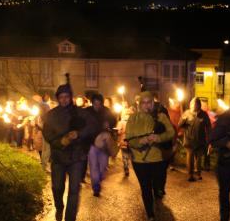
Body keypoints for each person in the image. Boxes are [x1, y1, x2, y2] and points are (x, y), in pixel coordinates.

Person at [42, 83, 98, 221]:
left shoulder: (80, 112)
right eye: (61, 97)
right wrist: (59, 142)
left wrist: (79, 134)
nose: (64, 100)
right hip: (59, 157)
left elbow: (93, 125)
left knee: (74, 189)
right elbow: (47, 133)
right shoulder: (51, 115)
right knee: (57, 187)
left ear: (70, 97)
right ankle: (59, 207)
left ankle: (69, 218)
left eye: (67, 96)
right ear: (58, 98)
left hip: (76, 157)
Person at [125, 91, 175, 221]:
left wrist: (158, 138)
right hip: (139, 160)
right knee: (145, 186)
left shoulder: (161, 116)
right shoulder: (132, 118)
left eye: (149, 102)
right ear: (139, 104)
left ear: (153, 103)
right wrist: (140, 141)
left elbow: (171, 133)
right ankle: (150, 214)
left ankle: (157, 194)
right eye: (144, 103)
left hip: (157, 159)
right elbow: (129, 139)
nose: (146, 105)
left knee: (157, 184)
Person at [86, 94, 117, 197]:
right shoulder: (87, 111)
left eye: (99, 104)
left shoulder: (106, 111)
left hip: (104, 144)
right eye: (95, 104)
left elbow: (114, 120)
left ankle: (98, 179)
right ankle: (95, 187)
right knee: (93, 166)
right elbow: (80, 122)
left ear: (102, 103)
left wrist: (109, 124)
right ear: (92, 103)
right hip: (91, 144)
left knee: (103, 167)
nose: (97, 106)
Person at [178, 97, 211, 181]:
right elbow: (180, 125)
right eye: (192, 105)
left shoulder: (204, 114)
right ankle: (190, 174)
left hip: (200, 140)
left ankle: (198, 173)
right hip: (189, 141)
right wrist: (184, 119)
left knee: (199, 158)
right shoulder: (186, 113)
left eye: (195, 105)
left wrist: (208, 139)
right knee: (190, 158)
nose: (193, 107)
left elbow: (208, 126)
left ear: (199, 106)